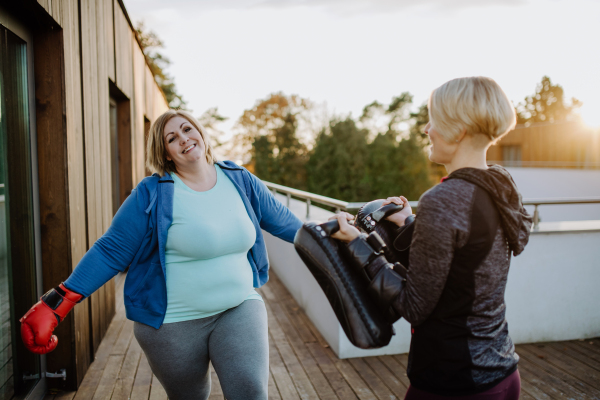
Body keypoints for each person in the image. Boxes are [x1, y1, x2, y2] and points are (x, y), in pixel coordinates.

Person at [19, 109, 303, 400]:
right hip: (171, 325)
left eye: (187, 129)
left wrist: (337, 232)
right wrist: (58, 302)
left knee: (251, 394)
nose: (184, 139)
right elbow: (110, 250)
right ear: (165, 153)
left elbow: (291, 225)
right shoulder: (151, 193)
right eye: (172, 138)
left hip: (239, 307)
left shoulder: (240, 180)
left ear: (201, 133)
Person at [331, 77, 532, 400]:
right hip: (503, 374)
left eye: (434, 120)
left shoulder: (443, 200)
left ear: (459, 129)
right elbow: (464, 259)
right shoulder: (500, 185)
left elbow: (414, 306)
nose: (427, 129)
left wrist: (357, 242)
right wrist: (411, 222)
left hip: (455, 383)